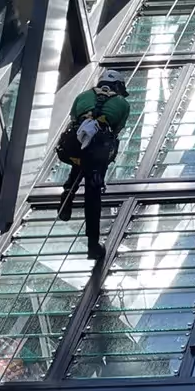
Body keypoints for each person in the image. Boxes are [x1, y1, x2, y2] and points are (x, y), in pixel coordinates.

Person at [56, 69, 130, 260]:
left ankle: (67, 194)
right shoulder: (122, 103)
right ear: (118, 86)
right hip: (98, 152)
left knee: (79, 163)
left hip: (73, 145)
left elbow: (73, 118)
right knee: (93, 194)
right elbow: (118, 128)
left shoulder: (83, 96)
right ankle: (92, 244)